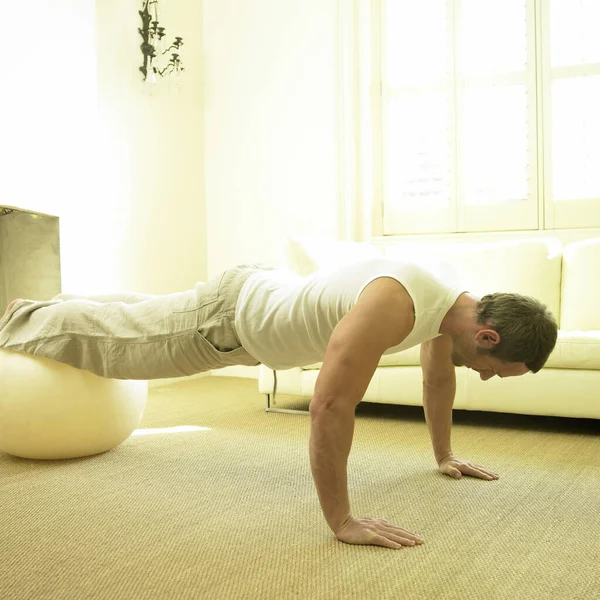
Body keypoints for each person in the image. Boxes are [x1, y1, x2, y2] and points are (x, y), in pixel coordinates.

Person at [0, 257, 558, 549]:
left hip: (252, 293)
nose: (484, 379)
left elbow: (438, 382)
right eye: (494, 370)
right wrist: (340, 519)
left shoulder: (451, 300)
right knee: (121, 347)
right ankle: (18, 319)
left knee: (138, 318)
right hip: (231, 325)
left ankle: (53, 304)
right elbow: (330, 407)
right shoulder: (399, 304)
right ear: (487, 337)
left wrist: (444, 454)